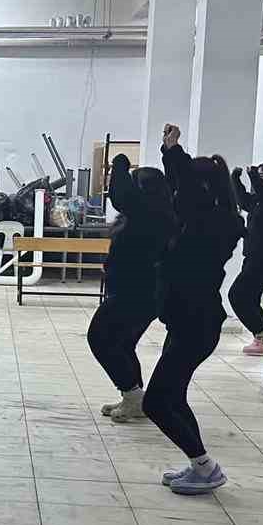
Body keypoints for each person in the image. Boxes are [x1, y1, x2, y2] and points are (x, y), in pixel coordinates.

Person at [146, 124, 244, 494]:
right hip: (188, 321)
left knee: (156, 402)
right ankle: (200, 465)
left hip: (196, 324)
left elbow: (186, 191)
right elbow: (183, 189)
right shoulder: (207, 220)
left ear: (201, 188)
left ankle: (206, 467)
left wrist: (173, 151)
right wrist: (171, 156)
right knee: (173, 396)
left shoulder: (213, 223)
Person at [90, 152, 177, 421]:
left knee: (99, 338)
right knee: (123, 343)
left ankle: (133, 395)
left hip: (136, 293)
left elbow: (121, 195)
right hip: (138, 292)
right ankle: (135, 398)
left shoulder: (148, 215)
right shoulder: (153, 214)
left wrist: (119, 163)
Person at [228, 163, 263, 356]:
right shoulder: (259, 201)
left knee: (237, 295)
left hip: (262, 258)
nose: (257, 181)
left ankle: (262, 334)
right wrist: (235, 180)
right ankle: (262, 337)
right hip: (251, 256)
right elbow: (243, 201)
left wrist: (252, 175)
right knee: (250, 299)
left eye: (262, 177)